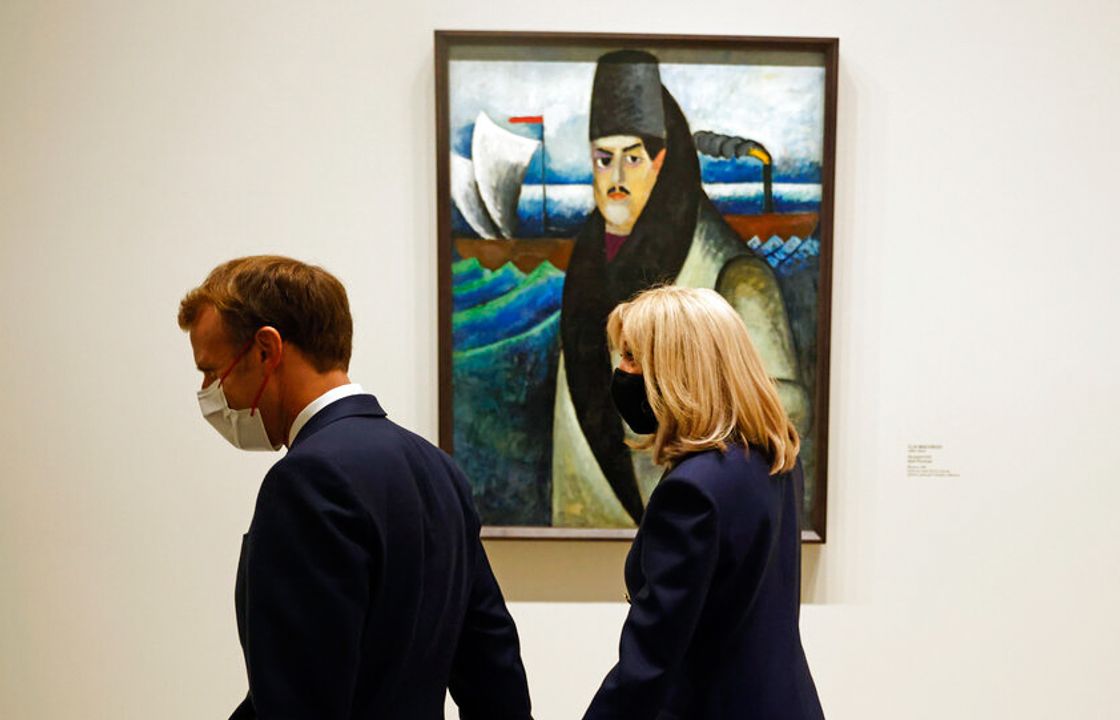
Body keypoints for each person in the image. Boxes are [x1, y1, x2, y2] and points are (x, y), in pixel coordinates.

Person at [178, 255, 532, 720]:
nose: (209, 391)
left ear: (266, 350)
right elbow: (494, 674)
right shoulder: (440, 470)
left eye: (212, 371)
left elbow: (299, 700)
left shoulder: (305, 481)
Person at [554, 49, 810, 530]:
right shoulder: (586, 262)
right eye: (604, 160)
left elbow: (783, 414)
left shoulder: (735, 275)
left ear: (661, 162)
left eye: (633, 158)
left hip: (695, 524)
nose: (616, 178)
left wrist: (687, 411)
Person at [583, 285, 825, 720]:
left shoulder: (693, 489)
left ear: (676, 369)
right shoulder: (775, 462)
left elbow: (651, 660)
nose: (621, 370)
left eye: (632, 357)